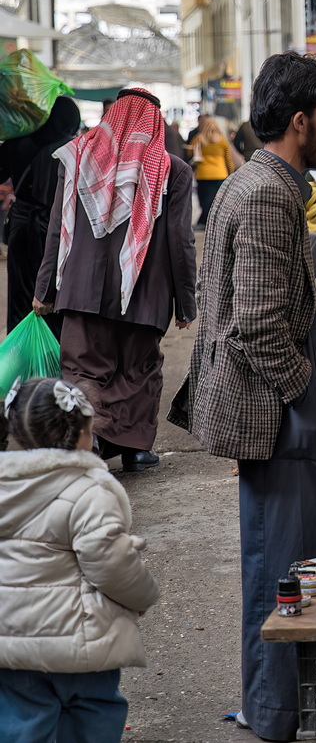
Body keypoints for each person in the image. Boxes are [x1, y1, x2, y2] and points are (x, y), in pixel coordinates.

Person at [168, 51, 316, 741]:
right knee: (290, 565)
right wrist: (301, 388)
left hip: (279, 405)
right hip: (278, 410)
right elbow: (254, 322)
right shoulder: (267, 195)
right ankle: (282, 709)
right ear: (300, 120)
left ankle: (288, 700)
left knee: (289, 557)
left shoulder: (256, 184)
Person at [33, 88, 197, 472]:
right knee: (139, 371)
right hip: (144, 294)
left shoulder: (76, 160)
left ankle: (87, 440)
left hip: (81, 290)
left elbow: (57, 230)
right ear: (154, 124)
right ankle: (136, 449)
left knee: (85, 369)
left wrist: (45, 291)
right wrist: (185, 302)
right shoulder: (173, 170)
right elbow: (180, 242)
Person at [0, 376, 159, 743]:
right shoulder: (89, 489)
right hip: (80, 642)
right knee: (94, 713)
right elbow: (109, 561)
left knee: (23, 723)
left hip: (11, 641)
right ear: (79, 436)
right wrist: (143, 596)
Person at [0, 96, 80, 335]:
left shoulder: (18, 142)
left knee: (20, 294)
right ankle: (51, 357)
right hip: (57, 231)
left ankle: (19, 359)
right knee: (52, 294)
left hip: (21, 227)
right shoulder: (73, 148)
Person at [189, 115, 235, 228]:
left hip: (203, 174)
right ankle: (213, 222)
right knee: (217, 200)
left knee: (204, 200)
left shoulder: (198, 139)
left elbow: (191, 153)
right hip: (220, 174)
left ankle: (203, 222)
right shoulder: (223, 141)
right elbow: (228, 160)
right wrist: (231, 174)